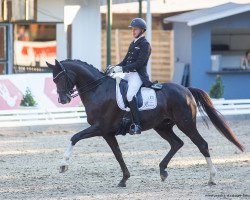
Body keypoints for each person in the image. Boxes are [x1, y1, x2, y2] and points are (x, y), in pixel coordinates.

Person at [109, 18, 152, 135]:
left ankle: (137, 125)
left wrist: (121, 69)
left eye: (136, 29)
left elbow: (139, 64)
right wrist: (114, 67)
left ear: (142, 30)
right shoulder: (133, 44)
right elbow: (125, 61)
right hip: (128, 74)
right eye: (132, 29)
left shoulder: (145, 44)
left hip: (138, 75)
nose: (133, 31)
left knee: (130, 95)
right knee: (115, 86)